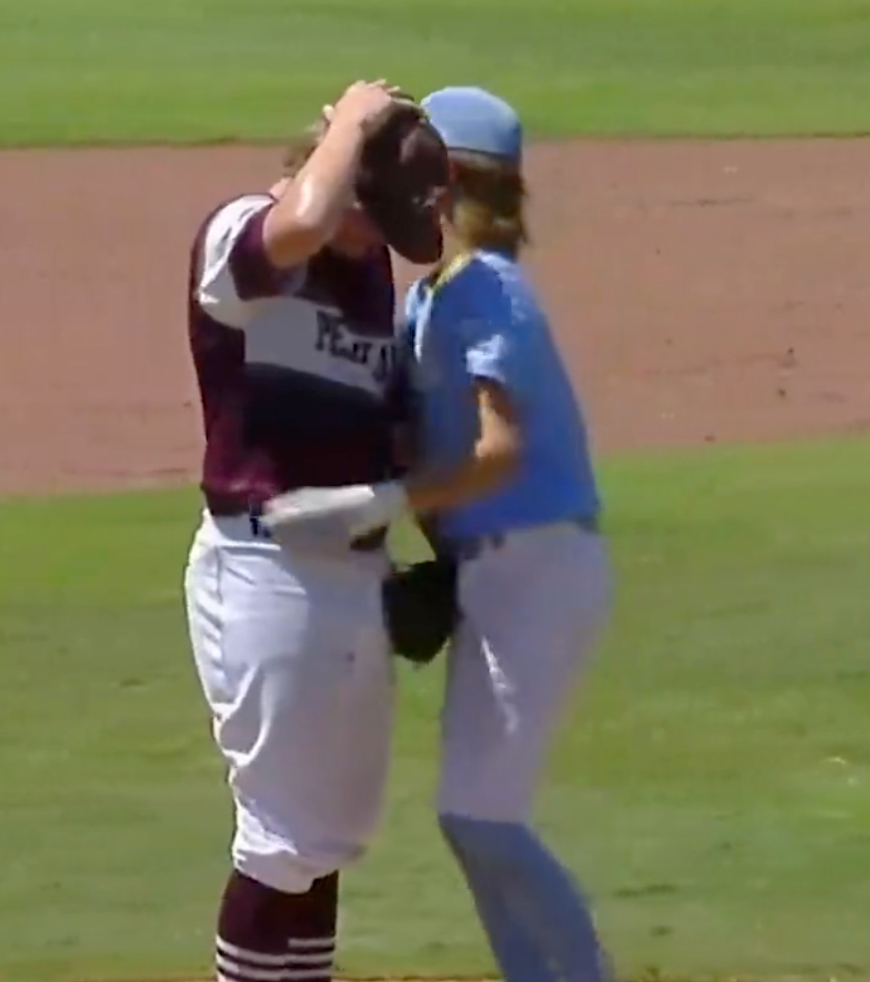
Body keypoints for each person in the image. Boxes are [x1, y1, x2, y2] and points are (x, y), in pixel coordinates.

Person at [264, 85, 614, 982]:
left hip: (537, 563)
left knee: (483, 817)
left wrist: (373, 506)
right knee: (471, 818)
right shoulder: (434, 297)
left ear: (440, 176)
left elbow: (502, 451)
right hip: (492, 571)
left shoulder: (488, 288)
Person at [182, 80, 448, 982]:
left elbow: (393, 431)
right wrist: (351, 123)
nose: (375, 240)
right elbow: (297, 226)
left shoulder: (368, 275)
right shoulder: (243, 235)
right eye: (368, 214)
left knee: (328, 835)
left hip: (351, 575)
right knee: (281, 836)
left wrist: (436, 557)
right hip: (266, 566)